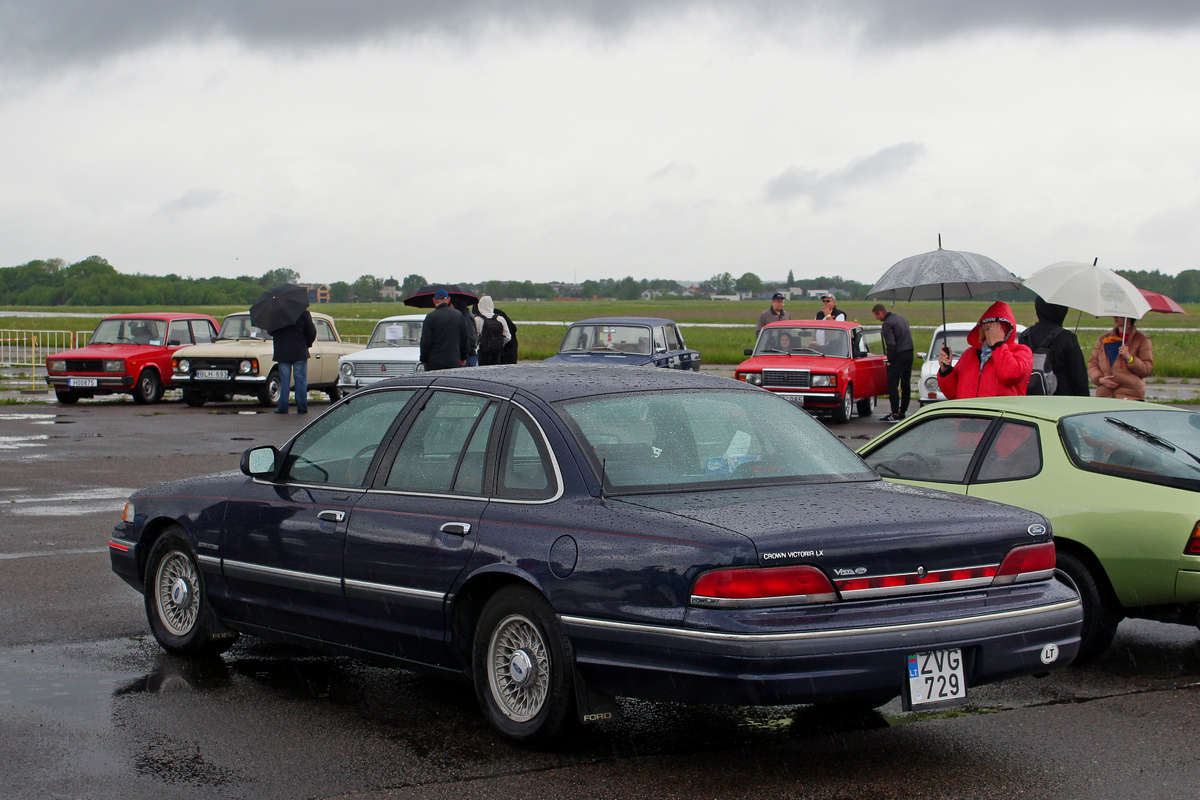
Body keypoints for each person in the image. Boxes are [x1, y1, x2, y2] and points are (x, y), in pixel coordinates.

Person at [937, 301, 1032, 399]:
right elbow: (953, 394)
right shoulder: (970, 354)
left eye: (999, 329)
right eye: (988, 328)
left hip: (997, 414)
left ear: (1009, 330)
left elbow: (1010, 376)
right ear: (982, 330)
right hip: (968, 413)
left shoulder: (1021, 352)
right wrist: (946, 371)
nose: (992, 333)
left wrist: (998, 345)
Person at [1018, 296, 1091, 396]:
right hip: (1061, 402)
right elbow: (1079, 379)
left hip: (1030, 399)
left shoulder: (1025, 336)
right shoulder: (1067, 338)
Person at [1088, 316, 1153, 400]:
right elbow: (1092, 363)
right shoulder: (1103, 339)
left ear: (1128, 317)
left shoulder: (1142, 340)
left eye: (1119, 315)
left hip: (1130, 397)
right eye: (1114, 314)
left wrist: (1130, 358)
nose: (1115, 317)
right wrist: (1100, 380)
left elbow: (1146, 369)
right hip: (1105, 396)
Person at [872, 304, 915, 421]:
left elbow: (891, 344)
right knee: (906, 384)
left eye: (876, 315)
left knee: (892, 385)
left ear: (880, 312)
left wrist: (890, 360)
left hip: (898, 355)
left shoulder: (887, 324)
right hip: (909, 353)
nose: (876, 318)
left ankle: (894, 412)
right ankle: (903, 411)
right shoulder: (902, 319)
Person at [271, 309, 317, 414]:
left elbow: (271, 331)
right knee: (301, 381)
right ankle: (302, 407)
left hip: (282, 352)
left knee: (284, 382)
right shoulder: (303, 313)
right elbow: (311, 331)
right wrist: (307, 344)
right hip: (299, 351)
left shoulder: (277, 314)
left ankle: (282, 408)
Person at [419, 289, 470, 371]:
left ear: (434, 300)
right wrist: (463, 357)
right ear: (449, 300)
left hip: (433, 362)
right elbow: (464, 339)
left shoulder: (430, 317)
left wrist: (423, 359)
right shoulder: (458, 315)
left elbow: (426, 341)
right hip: (453, 360)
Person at [473, 295, 512, 366]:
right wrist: (499, 343)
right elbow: (508, 337)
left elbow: (473, 336)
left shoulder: (477, 319)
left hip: (482, 352)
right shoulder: (500, 318)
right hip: (497, 352)